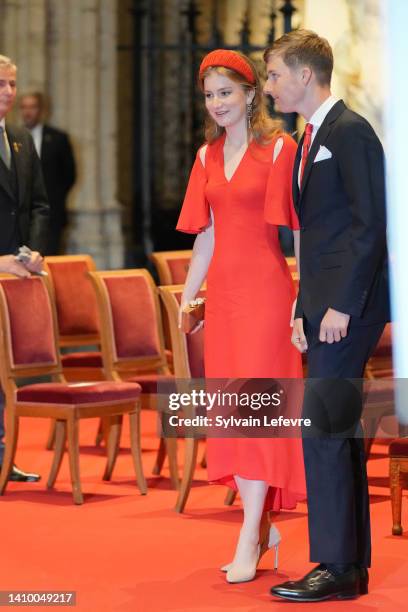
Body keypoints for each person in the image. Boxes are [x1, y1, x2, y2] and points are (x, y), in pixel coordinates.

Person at [263, 30, 389, 602]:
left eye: (272, 75)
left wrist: (340, 305)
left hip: (348, 308)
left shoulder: (351, 132)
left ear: (304, 76)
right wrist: (301, 302)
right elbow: (317, 235)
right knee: (334, 431)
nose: (268, 86)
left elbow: (371, 228)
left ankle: (336, 567)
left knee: (323, 430)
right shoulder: (311, 136)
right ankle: (349, 566)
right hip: (323, 303)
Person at [176, 49, 306, 584]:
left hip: (269, 297)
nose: (217, 104)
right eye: (209, 95)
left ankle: (249, 532)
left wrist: (306, 292)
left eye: (226, 93)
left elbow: (300, 229)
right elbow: (205, 238)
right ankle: (262, 525)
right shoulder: (205, 158)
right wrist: (188, 296)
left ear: (252, 94)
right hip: (225, 301)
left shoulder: (280, 148)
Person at [0, 55, 49, 482]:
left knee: (4, 374)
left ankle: (2, 456)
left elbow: (38, 204)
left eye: (12, 84)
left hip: (15, 277)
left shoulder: (19, 138)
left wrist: (33, 251)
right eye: (1, 84)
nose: (9, 92)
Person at [19, 92, 76, 254]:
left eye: (32, 107)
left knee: (48, 260)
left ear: (42, 110)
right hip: (19, 216)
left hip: (51, 214)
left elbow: (69, 175)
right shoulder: (10, 137)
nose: (27, 112)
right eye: (24, 107)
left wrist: (51, 197)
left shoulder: (58, 138)